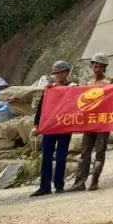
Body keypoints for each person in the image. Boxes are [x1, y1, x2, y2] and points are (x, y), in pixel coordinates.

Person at [69, 53, 113, 192]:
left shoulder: (110, 82)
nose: (98, 69)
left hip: (103, 122)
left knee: (100, 152)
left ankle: (94, 180)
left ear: (105, 68)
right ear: (92, 67)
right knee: (85, 153)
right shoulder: (88, 83)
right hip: (89, 123)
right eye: (95, 66)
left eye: (101, 67)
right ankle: (79, 183)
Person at [31, 60, 76, 197]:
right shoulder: (50, 90)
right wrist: (36, 125)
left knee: (61, 156)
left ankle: (59, 185)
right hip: (50, 127)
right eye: (56, 73)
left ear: (67, 73)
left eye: (61, 72)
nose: (58, 75)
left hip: (64, 126)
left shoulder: (73, 88)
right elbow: (41, 108)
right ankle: (44, 186)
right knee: (46, 156)